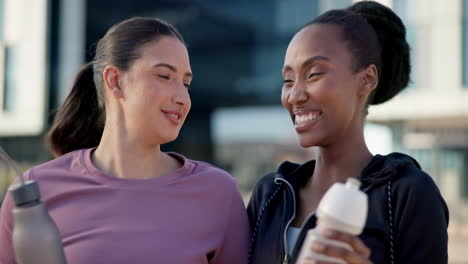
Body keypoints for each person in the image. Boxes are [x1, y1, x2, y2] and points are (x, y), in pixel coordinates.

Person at [0, 17, 250, 264]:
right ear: (114, 81)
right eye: (164, 76)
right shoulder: (35, 192)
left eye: (186, 83)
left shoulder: (218, 194)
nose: (183, 97)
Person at [247, 1, 449, 264]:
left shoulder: (405, 194)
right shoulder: (270, 194)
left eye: (314, 74)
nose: (294, 95)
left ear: (366, 80)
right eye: (288, 80)